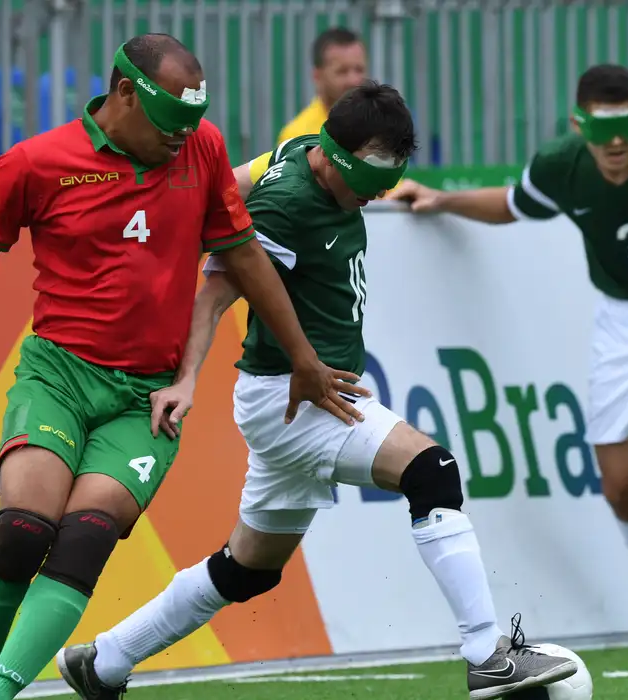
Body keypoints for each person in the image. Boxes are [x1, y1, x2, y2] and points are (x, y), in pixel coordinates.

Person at [0, 33, 368, 700]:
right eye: (171, 123)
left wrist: (303, 359)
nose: (185, 139)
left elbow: (242, 256)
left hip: (146, 399)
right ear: (124, 93)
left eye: (194, 123)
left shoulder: (201, 149)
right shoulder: (36, 164)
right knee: (22, 532)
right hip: (58, 378)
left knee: (84, 539)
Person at [53, 81, 579, 700]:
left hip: (298, 396)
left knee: (246, 570)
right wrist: (186, 377)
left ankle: (102, 662)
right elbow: (217, 291)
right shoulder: (289, 206)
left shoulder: (301, 150)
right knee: (432, 472)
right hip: (295, 400)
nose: (373, 197)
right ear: (338, 157)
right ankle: (486, 653)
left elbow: (234, 185)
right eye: (367, 183)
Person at [387, 64, 628, 646]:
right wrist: (442, 200)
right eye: (601, 131)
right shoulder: (562, 166)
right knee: (622, 487)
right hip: (625, 320)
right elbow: (514, 204)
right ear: (579, 124)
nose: (616, 144)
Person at [276, 27, 367, 145]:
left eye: (359, 70)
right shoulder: (298, 137)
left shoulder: (381, 125)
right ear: (317, 76)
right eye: (342, 71)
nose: (353, 80)